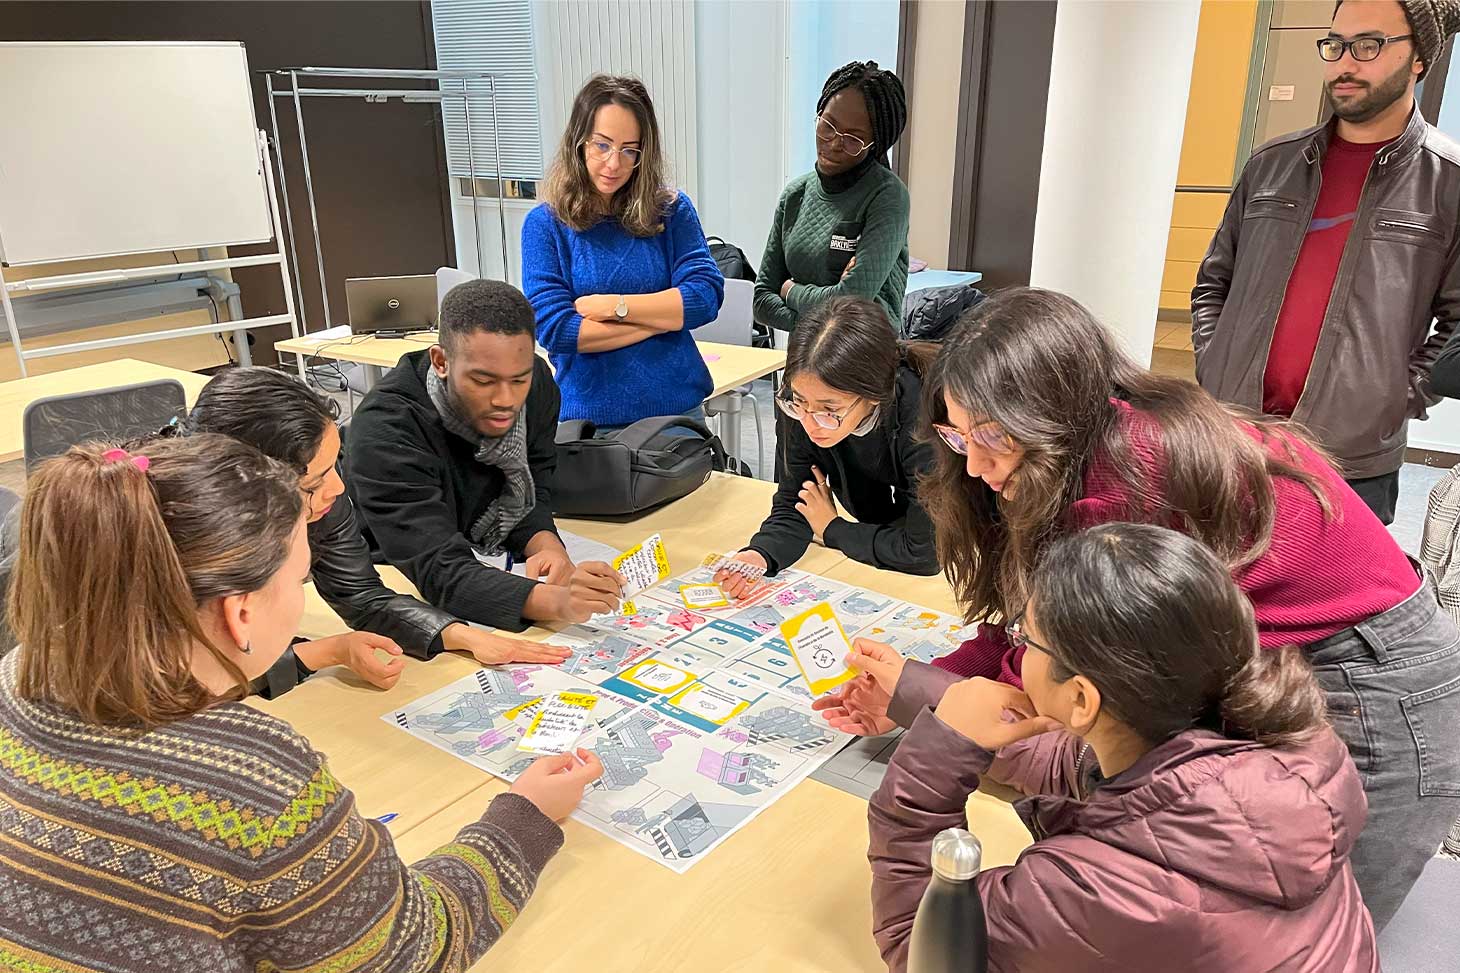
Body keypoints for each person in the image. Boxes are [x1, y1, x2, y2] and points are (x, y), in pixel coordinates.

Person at [814, 287, 1460, 930]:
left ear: (1050, 417)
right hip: (1289, 656)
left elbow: (1053, 673)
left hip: (1378, 683)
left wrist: (920, 697)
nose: (977, 464)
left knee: (1306, 922)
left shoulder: (1120, 487)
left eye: (993, 437)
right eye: (958, 437)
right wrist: (925, 682)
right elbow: (1029, 629)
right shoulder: (1083, 443)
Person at [0, 435, 603, 971]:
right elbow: (414, 950)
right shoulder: (256, 778)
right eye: (299, 580)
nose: (302, 592)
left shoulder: (18, 673)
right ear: (240, 614)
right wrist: (524, 817)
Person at [867, 523, 1377, 972]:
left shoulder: (1094, 890)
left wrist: (932, 769)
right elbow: (1083, 760)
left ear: (1082, 698)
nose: (1019, 651)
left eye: (1028, 639)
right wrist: (925, 696)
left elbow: (922, 948)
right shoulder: (1276, 745)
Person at [1191, 0, 1460, 525]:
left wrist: (1396, 397)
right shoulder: (1271, 165)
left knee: (1335, 604)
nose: (1345, 63)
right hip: (1233, 436)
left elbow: (1458, 324)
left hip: (1351, 461)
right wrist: (1214, 361)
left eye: (1369, 45)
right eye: (1334, 45)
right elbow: (1213, 282)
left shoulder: (1448, 182)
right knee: (1216, 593)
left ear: (1420, 59)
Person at [183, 367, 573, 697]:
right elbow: (182, 685)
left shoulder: (321, 505)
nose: (338, 488)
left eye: (335, 463)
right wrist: (322, 652)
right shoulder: (180, 546)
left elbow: (361, 595)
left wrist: (464, 636)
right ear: (249, 492)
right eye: (316, 481)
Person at [348, 279, 625, 629]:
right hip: (393, 576)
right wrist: (557, 601)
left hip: (483, 558)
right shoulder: (387, 428)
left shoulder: (538, 383)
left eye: (518, 379)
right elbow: (438, 570)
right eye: (483, 381)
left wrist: (545, 545)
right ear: (441, 362)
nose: (506, 400)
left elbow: (534, 481)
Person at [522, 74, 724, 431]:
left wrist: (614, 307)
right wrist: (660, 322)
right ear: (579, 142)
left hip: (676, 416)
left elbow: (704, 298)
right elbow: (557, 330)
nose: (614, 164)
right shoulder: (545, 225)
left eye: (629, 149)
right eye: (602, 145)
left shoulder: (671, 211)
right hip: (589, 423)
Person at [712, 297, 937, 591]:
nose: (810, 423)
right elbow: (796, 502)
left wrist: (832, 528)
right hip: (889, 548)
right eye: (799, 403)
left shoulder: (923, 418)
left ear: (874, 394)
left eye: (830, 411)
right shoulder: (803, 403)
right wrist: (760, 555)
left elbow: (925, 552)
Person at [753, 60, 909, 336]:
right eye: (828, 126)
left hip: (865, 364)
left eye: (853, 139)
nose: (834, 144)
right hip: (804, 361)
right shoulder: (795, 196)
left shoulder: (887, 197)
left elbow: (851, 302)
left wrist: (790, 290)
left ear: (875, 145)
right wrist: (825, 316)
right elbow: (762, 301)